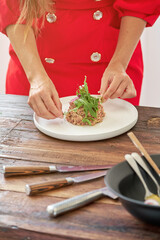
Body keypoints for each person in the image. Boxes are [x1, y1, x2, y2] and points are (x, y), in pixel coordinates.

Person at [0, 0, 159, 120]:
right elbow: (12, 5)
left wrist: (119, 64)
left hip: (113, 64)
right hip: (33, 61)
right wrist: (36, 77)